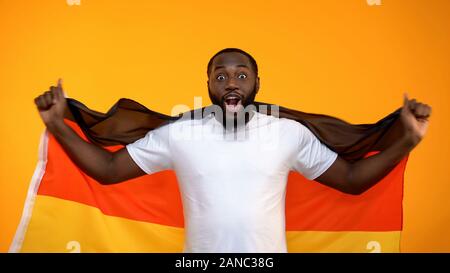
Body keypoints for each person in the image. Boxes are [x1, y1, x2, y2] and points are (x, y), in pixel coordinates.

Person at [34, 48, 431, 253]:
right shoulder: (181, 134)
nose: (231, 83)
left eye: (241, 75)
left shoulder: (288, 133)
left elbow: (350, 180)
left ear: (258, 82)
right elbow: (107, 169)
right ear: (208, 83)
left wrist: (406, 140)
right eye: (221, 76)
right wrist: (57, 126)